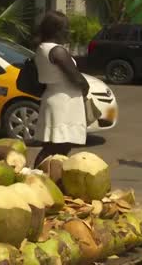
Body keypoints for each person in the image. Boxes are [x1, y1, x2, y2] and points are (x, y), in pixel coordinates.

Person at [32, 11, 90, 168]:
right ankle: (37, 177)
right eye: (66, 28)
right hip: (63, 103)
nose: (68, 32)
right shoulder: (57, 51)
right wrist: (85, 88)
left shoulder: (42, 48)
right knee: (57, 148)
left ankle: (44, 178)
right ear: (56, 29)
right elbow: (76, 78)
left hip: (54, 97)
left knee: (54, 148)